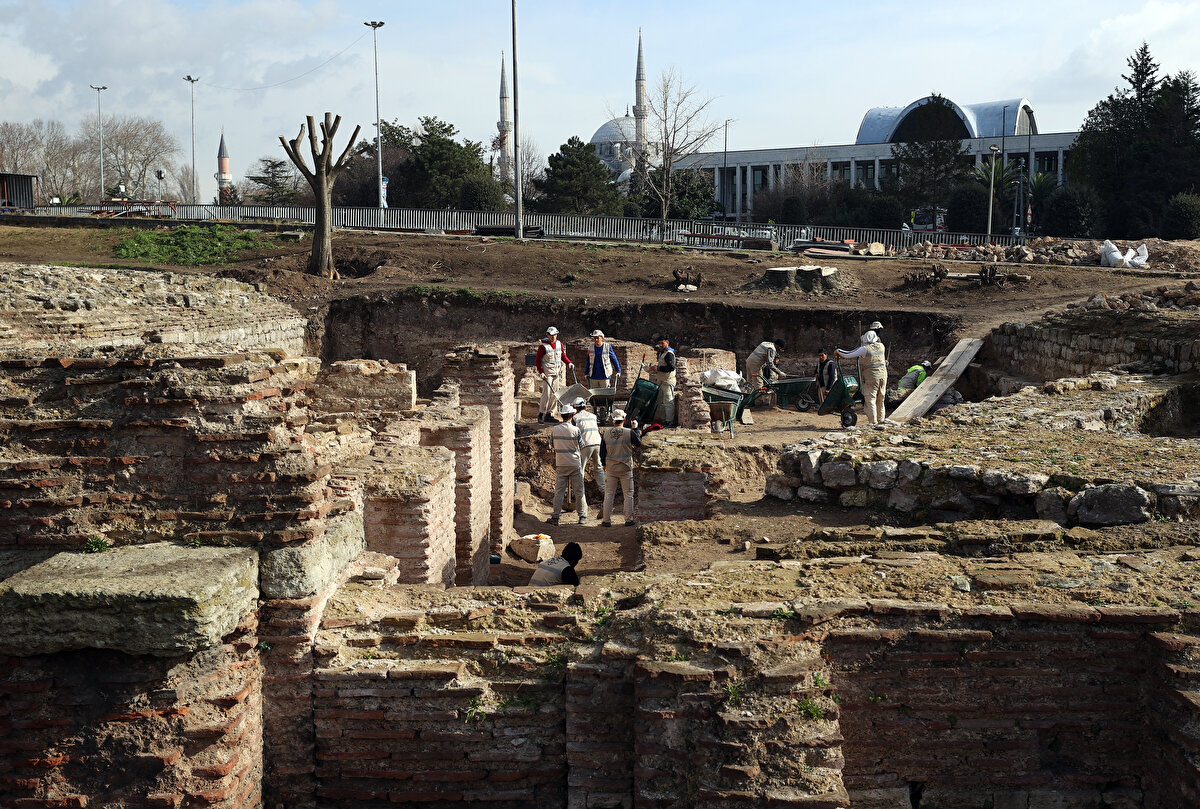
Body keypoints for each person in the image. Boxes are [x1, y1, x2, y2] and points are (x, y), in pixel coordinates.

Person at [600, 408, 642, 526]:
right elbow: (639, 443)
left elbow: (602, 452)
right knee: (628, 494)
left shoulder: (606, 433)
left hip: (611, 468)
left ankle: (606, 520)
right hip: (625, 468)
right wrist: (636, 428)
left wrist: (604, 464)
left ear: (613, 420)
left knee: (609, 494)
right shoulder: (629, 433)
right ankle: (628, 519)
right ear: (624, 419)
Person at [837, 330, 888, 425]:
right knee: (881, 399)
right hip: (883, 376)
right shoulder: (882, 346)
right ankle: (881, 421)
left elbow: (848, 354)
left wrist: (838, 351)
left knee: (870, 399)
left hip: (871, 378)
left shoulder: (864, 349)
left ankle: (873, 422)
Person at [549, 403, 588, 525]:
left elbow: (552, 445)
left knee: (559, 491)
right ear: (572, 415)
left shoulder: (554, 430)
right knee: (579, 491)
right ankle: (582, 516)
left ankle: (555, 517)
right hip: (575, 463)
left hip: (561, 463)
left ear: (561, 416)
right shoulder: (576, 430)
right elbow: (582, 445)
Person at [535, 326, 574, 423]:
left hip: (557, 373)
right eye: (551, 335)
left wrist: (569, 362)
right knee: (546, 394)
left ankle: (550, 414)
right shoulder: (543, 347)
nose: (553, 337)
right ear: (547, 335)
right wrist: (541, 373)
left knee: (555, 394)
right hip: (547, 374)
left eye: (555, 335)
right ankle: (541, 413)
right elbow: (537, 361)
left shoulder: (559, 344)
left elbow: (563, 356)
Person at [571, 397, 605, 494]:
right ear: (585, 406)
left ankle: (579, 494)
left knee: (580, 469)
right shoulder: (593, 416)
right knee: (599, 468)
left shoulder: (575, 418)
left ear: (575, 408)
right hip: (598, 443)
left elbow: (574, 432)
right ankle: (605, 491)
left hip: (585, 444)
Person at [645, 338, 677, 426]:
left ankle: (669, 421)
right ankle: (662, 420)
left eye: (662, 343)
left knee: (668, 401)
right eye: (659, 343)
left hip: (667, 381)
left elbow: (671, 367)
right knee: (661, 402)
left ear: (667, 343)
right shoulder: (662, 352)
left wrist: (658, 368)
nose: (660, 345)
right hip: (661, 380)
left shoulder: (669, 354)